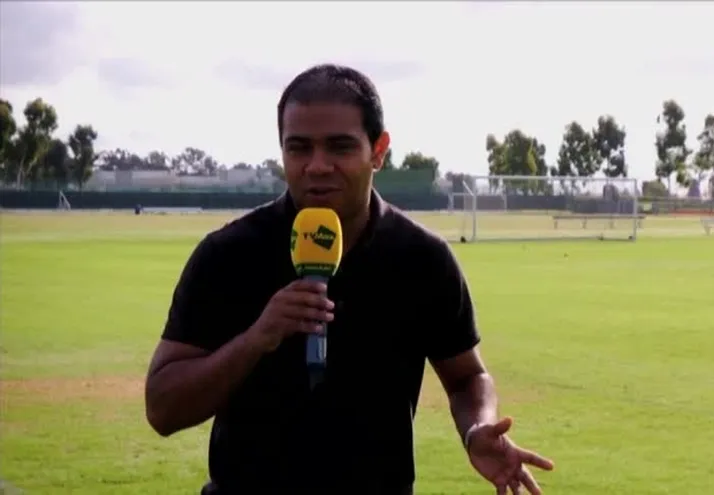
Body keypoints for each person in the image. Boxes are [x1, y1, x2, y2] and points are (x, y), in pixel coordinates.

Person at [144, 64, 554, 495]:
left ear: (379, 151)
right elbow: (162, 409)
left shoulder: (422, 258)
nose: (317, 166)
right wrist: (256, 339)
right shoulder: (228, 254)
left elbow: (467, 377)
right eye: (299, 148)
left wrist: (477, 428)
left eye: (339, 147)